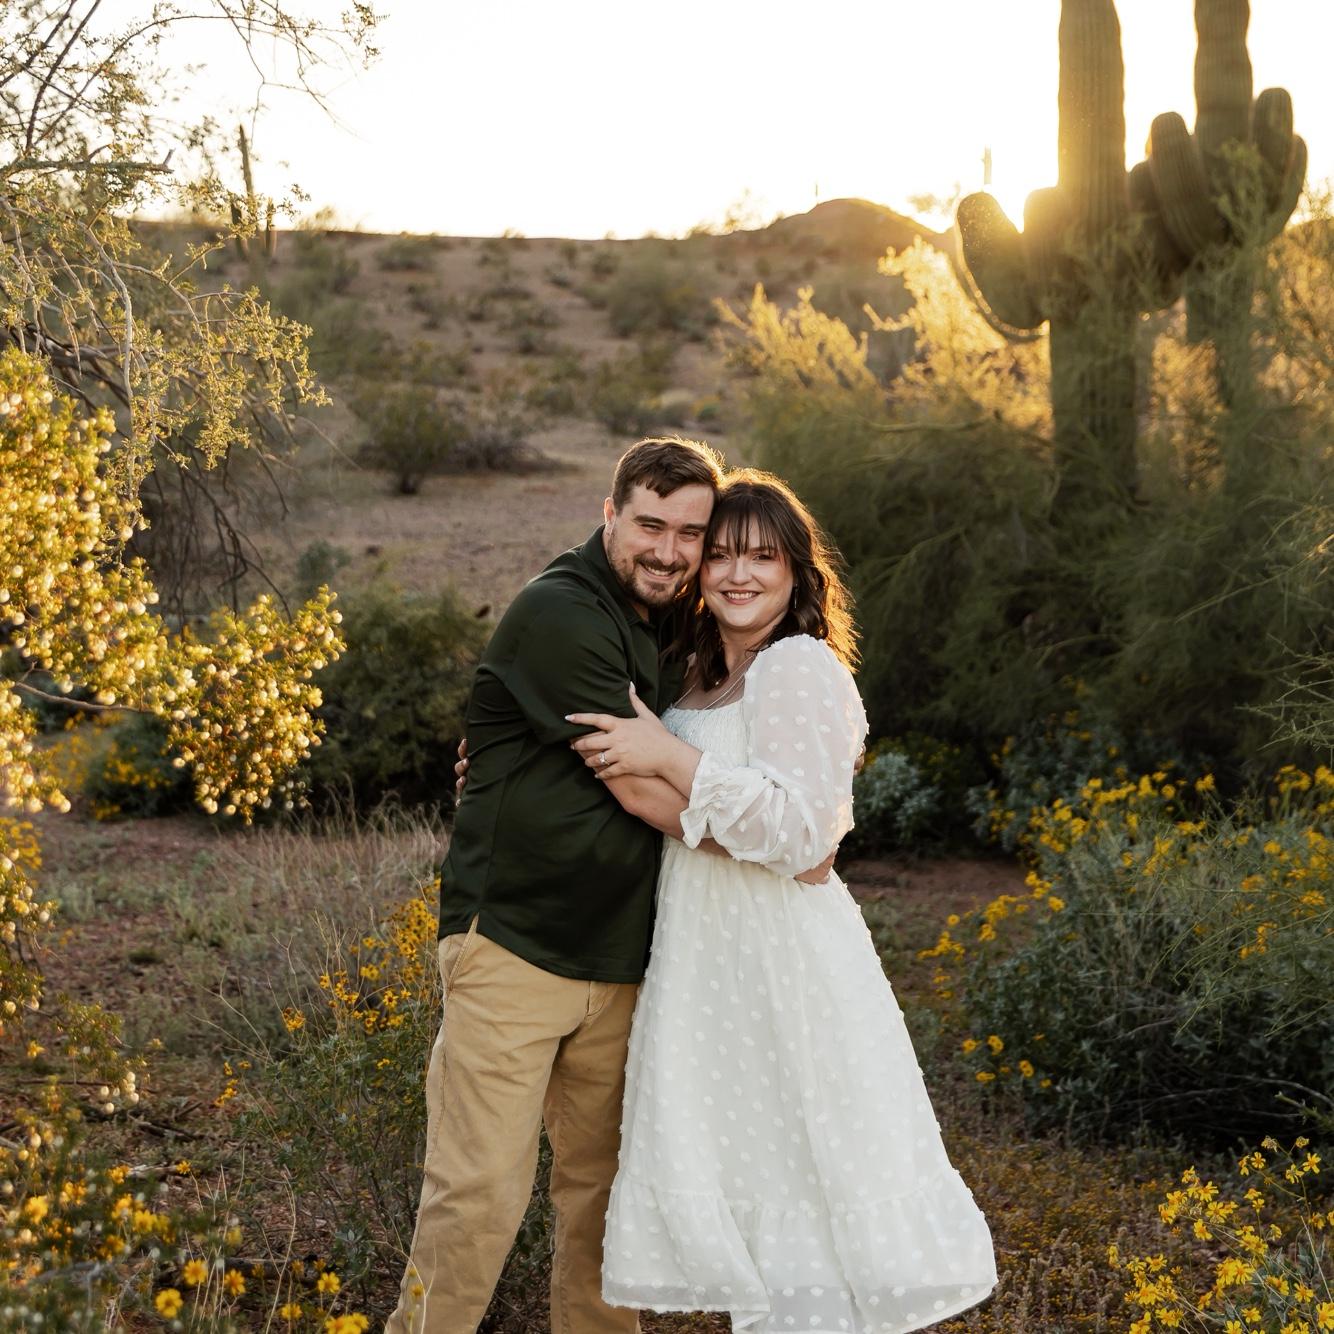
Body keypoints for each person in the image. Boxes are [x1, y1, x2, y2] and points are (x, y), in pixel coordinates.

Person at [387, 438, 834, 1334]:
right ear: (609, 515)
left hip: (629, 962)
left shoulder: (680, 625)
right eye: (650, 526)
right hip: (517, 947)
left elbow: (718, 749)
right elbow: (634, 782)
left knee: (606, 1204)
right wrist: (782, 839)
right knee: (477, 1195)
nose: (669, 552)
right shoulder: (562, 613)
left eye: (690, 535)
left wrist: (793, 811)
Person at [567, 470, 997, 1334]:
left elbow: (806, 844)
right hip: (705, 952)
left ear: (797, 572)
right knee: (755, 1171)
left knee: (804, 1177)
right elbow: (668, 811)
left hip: (781, 958)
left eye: (762, 557)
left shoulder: (798, 667)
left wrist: (667, 756)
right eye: (721, 554)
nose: (738, 574)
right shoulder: (697, 674)